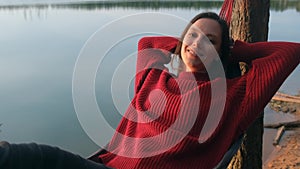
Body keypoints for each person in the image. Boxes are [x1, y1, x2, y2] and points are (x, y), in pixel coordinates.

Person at [0, 12, 299, 169]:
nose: (198, 44)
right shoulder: (155, 79)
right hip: (114, 165)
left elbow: (290, 52)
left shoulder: (232, 95)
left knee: (34, 158)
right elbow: (148, 42)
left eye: (210, 40)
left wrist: (235, 51)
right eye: (192, 36)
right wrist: (189, 44)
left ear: (223, 52)